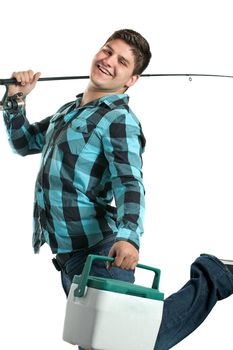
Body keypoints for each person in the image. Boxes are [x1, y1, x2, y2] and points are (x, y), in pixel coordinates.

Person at [2, 29, 233, 350]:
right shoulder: (68, 110)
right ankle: (217, 274)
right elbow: (24, 142)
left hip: (100, 255)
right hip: (71, 261)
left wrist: (128, 236)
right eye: (107, 51)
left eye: (122, 61)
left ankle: (216, 276)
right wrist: (16, 98)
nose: (109, 61)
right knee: (116, 341)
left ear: (131, 79)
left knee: (127, 343)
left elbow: (129, 183)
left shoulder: (118, 119)